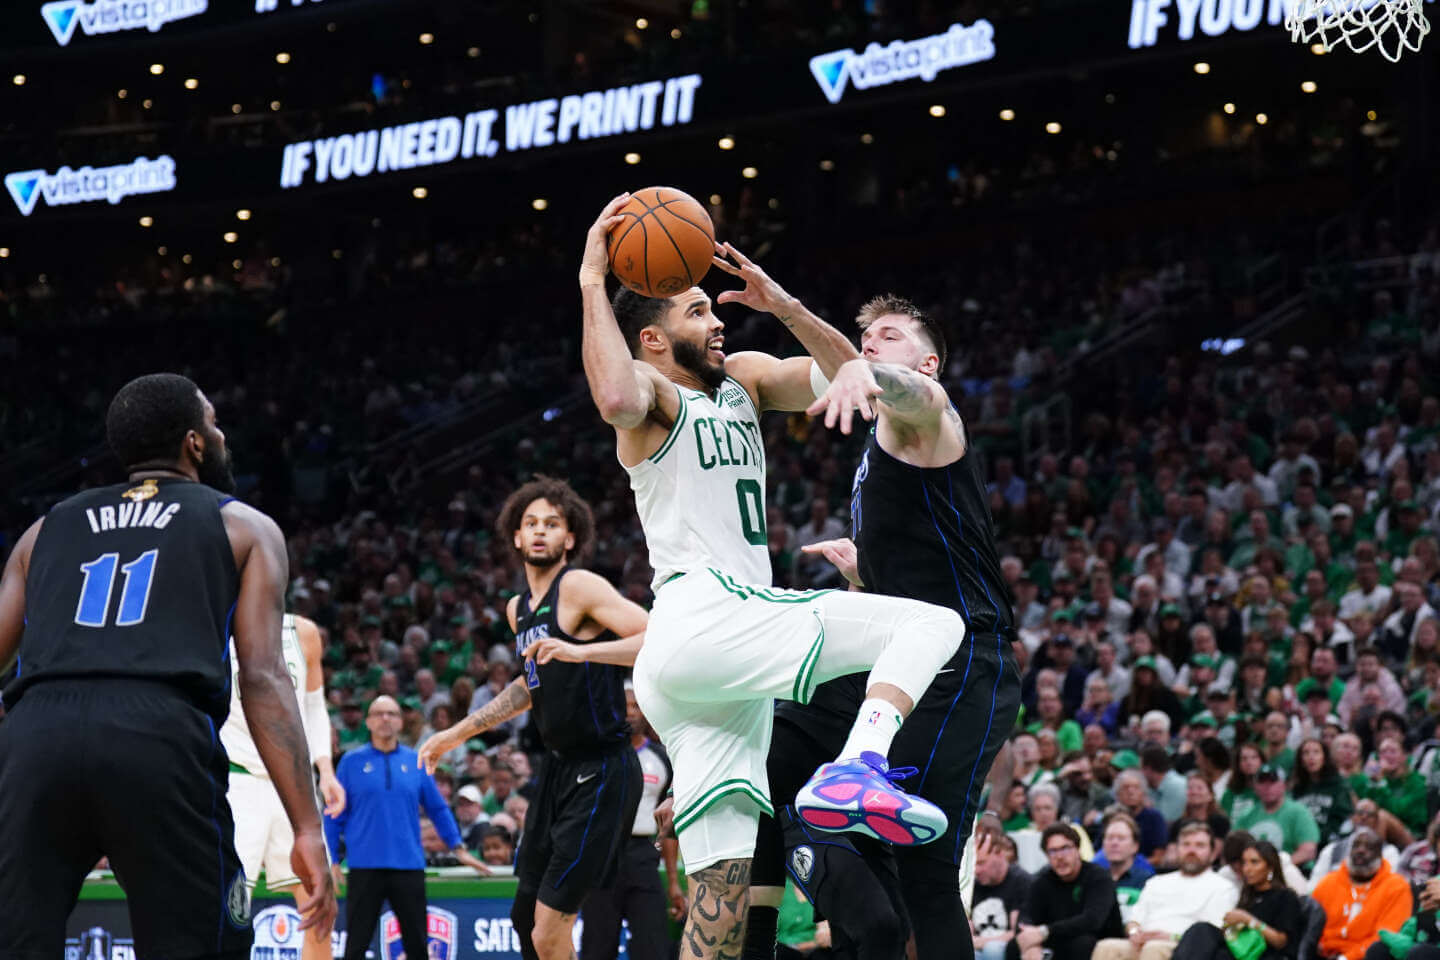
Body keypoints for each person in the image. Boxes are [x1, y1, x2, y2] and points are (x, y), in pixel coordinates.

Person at [581, 195, 968, 960]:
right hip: (711, 615)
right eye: (697, 312)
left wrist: (784, 305)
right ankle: (856, 770)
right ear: (652, 339)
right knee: (933, 623)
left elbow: (851, 377)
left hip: (698, 670)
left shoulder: (746, 381)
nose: (717, 321)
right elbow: (617, 396)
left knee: (721, 904)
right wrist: (593, 278)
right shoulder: (654, 395)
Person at [0, 373, 337, 958]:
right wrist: (307, 826)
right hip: (158, 732)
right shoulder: (244, 525)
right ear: (194, 443)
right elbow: (262, 676)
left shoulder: (43, 530)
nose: (221, 434)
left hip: (36, 734)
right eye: (214, 423)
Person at [749, 291, 1024, 960]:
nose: (872, 344)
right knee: (786, 779)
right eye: (867, 338)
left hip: (963, 665)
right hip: (898, 659)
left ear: (927, 362)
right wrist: (782, 305)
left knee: (926, 873)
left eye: (891, 336)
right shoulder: (882, 440)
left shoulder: (929, 417)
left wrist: (852, 361)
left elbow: (912, 394)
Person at [418, 478, 647, 960]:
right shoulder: (517, 609)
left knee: (547, 931)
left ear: (570, 537)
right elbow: (529, 685)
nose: (541, 531)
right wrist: (455, 733)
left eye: (553, 524)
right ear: (517, 537)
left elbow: (656, 637)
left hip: (602, 768)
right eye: (531, 523)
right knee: (524, 919)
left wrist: (583, 652)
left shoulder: (579, 586)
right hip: (557, 770)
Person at [222, 612, 347, 960]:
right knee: (225, 906)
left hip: (294, 784)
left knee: (320, 904)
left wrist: (326, 770)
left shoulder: (303, 632)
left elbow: (314, 707)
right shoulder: (217, 623)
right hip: (237, 779)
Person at [327, 696, 487, 960]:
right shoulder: (350, 762)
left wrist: (458, 848)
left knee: (417, 947)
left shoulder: (416, 761)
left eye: (392, 713)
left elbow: (438, 809)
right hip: (364, 866)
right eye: (379, 713)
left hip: (408, 865)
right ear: (368, 722)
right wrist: (331, 858)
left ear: (401, 722)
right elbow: (334, 813)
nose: (385, 719)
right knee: (355, 947)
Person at [580, 683, 687, 960]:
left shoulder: (662, 758)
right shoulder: (596, 756)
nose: (630, 712)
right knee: (597, 950)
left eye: (637, 706)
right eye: (624, 705)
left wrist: (673, 882)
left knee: (653, 948)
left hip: (643, 856)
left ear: (647, 712)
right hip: (601, 856)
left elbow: (668, 826)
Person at [1092, 822, 1238, 960]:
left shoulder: (1223, 886)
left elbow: (1212, 933)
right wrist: (1134, 933)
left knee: (1154, 948)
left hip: (1182, 946)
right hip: (1142, 942)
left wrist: (1171, 937)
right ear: (1176, 849)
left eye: (1200, 845)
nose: (1191, 851)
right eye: (1186, 844)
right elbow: (1134, 920)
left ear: (1213, 853)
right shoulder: (1156, 882)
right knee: (1106, 947)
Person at [1009, 823, 1125, 960]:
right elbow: (1025, 917)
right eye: (1052, 851)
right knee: (1015, 945)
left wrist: (1045, 931)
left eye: (1065, 849)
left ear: (1078, 849)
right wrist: (1031, 944)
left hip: (1098, 941)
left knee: (1082, 943)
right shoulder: (1043, 881)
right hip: (1059, 938)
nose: (1060, 857)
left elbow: (1092, 920)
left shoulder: (1099, 877)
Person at [1171, 840, 1301, 960]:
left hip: (1265, 955)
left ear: (1270, 867)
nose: (1247, 869)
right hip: (1238, 951)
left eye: (1254, 862)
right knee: (1201, 931)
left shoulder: (1286, 897)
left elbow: (1281, 942)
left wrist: (1248, 920)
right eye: (1244, 863)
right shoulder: (1248, 896)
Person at [1312, 829, 1413, 960]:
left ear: (1380, 855)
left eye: (1369, 847)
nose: (1360, 851)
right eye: (1356, 846)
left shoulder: (1397, 887)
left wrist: (1347, 958)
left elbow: (1386, 935)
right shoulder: (1328, 882)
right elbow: (1311, 924)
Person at [1233, 764, 1321, 867]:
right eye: (1262, 782)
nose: (1267, 787)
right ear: (1255, 786)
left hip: (1291, 868)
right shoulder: (1246, 815)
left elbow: (1308, 851)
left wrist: (1276, 868)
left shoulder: (1299, 812)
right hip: (1252, 869)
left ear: (1284, 785)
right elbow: (1232, 850)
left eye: (1273, 781)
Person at [972, 834, 1032, 960]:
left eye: (981, 863)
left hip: (1008, 950)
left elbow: (1020, 931)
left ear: (1000, 855)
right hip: (978, 949)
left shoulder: (1022, 881)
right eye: (973, 864)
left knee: (992, 950)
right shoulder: (973, 885)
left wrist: (983, 942)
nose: (976, 870)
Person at [1290, 738, 1354, 847]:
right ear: (1300, 760)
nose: (1311, 757)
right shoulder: (1297, 788)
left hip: (1331, 842)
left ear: (1324, 758)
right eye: (1306, 753)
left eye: (1316, 752)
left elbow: (1342, 816)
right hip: (1303, 842)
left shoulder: (1338, 784)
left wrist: (1321, 837)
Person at [1095, 813, 1156, 921]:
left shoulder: (1148, 881)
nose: (1114, 843)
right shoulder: (1094, 878)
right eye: (1109, 838)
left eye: (1121, 838)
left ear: (1135, 846)